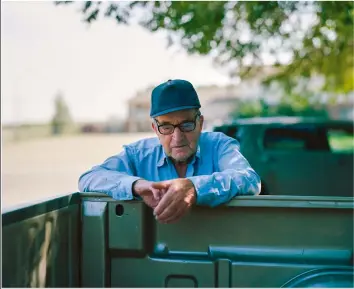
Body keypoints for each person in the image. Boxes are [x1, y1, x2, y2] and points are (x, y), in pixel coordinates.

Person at [78, 79, 261, 224]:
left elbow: (249, 179)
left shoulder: (219, 145)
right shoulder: (138, 154)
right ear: (155, 129)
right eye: (166, 127)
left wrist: (195, 187)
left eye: (187, 125)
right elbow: (89, 178)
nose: (177, 137)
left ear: (200, 123)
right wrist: (135, 185)